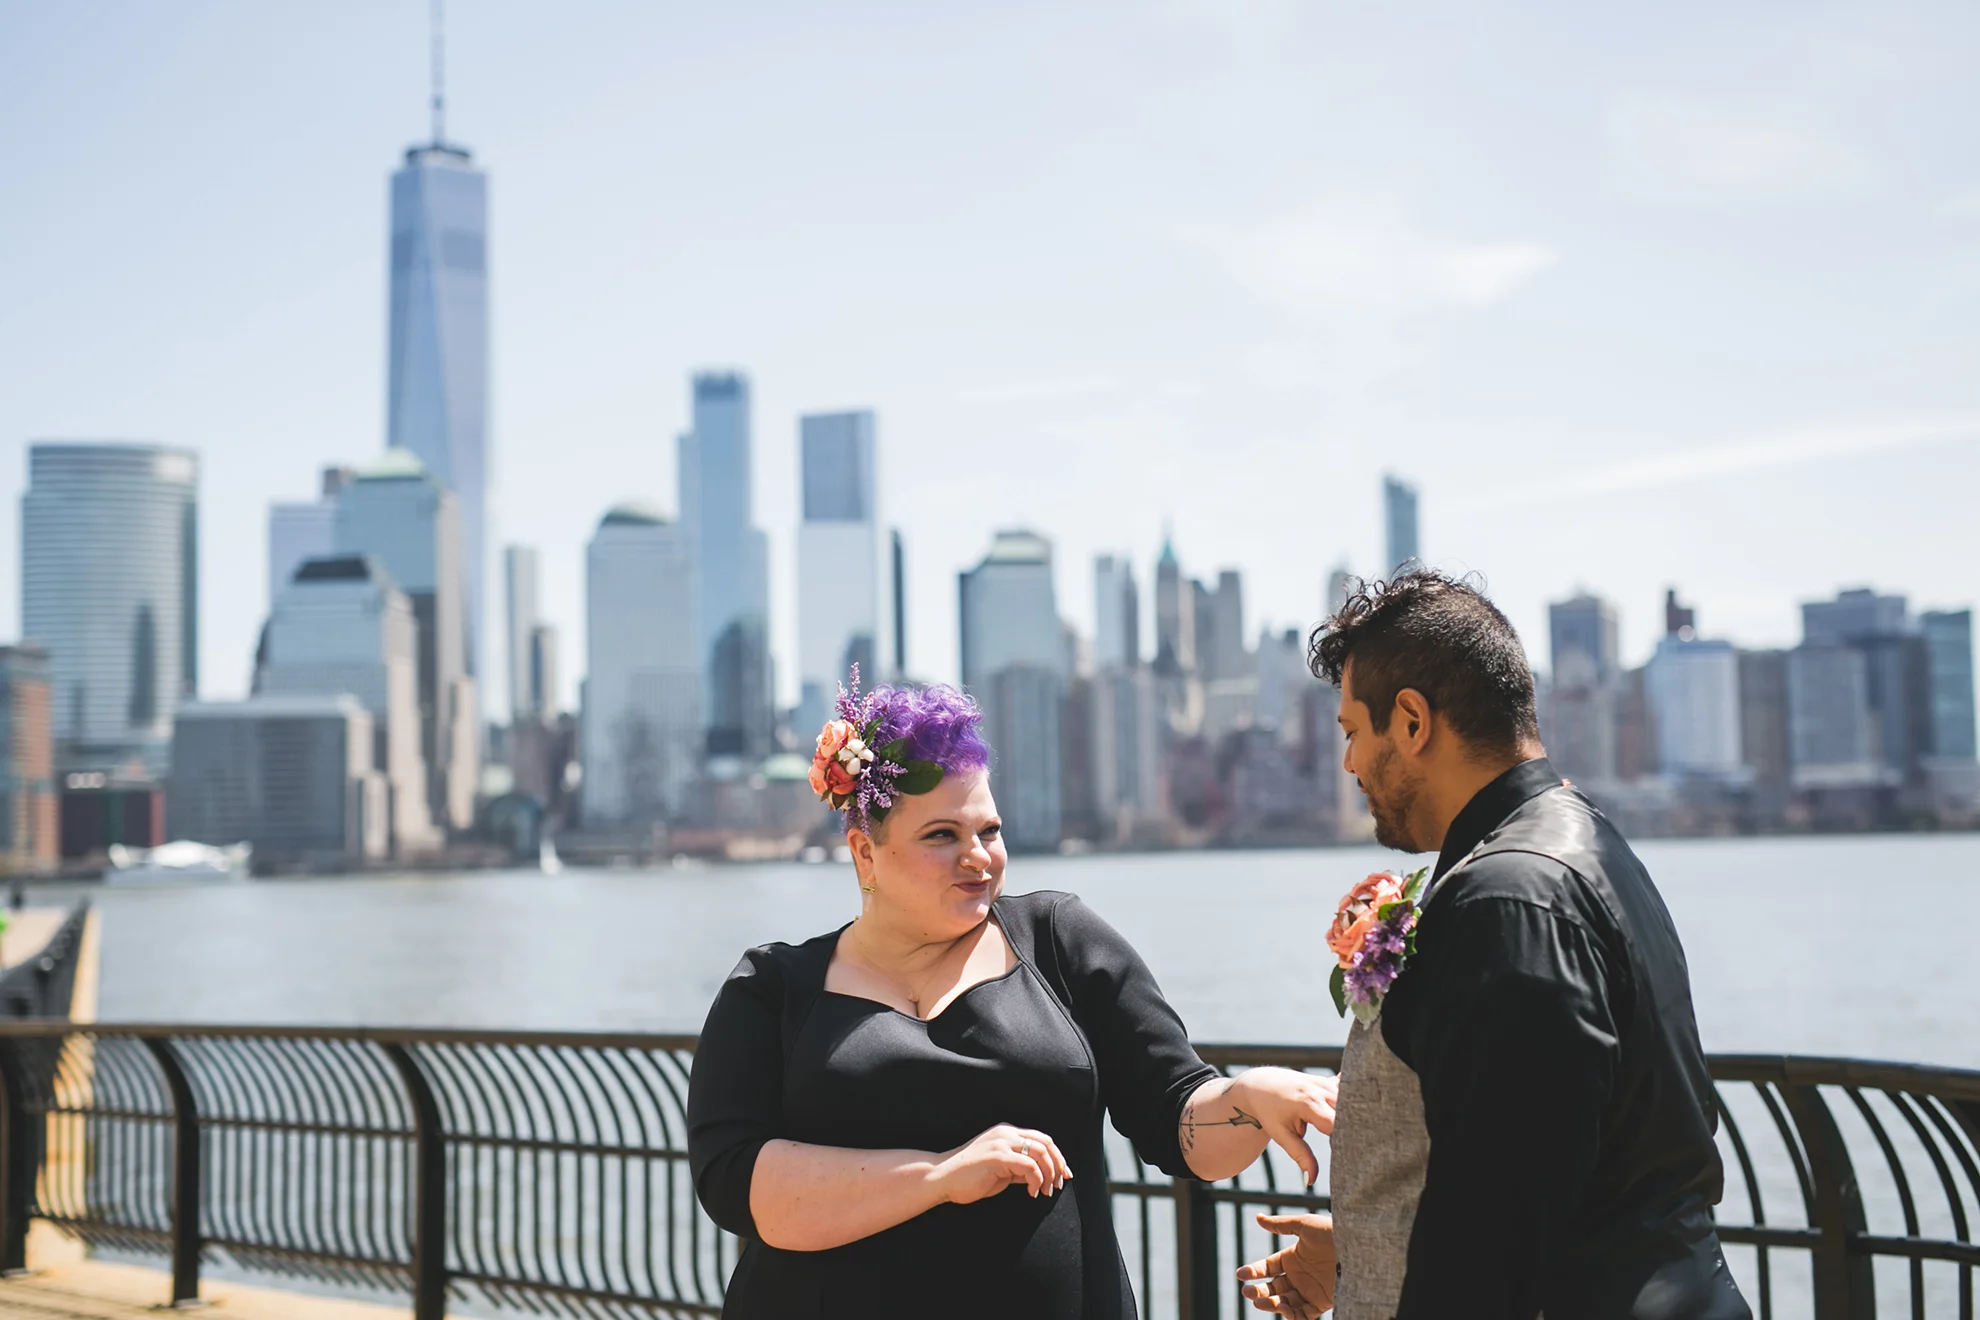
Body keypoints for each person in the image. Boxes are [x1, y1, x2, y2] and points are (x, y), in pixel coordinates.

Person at [688, 678, 1338, 1319]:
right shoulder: (770, 989)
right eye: (942, 835)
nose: (978, 857)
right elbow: (737, 1184)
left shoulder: (1060, 939)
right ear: (865, 854)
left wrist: (1249, 1101)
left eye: (990, 831)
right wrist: (941, 1177)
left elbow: (1176, 1116)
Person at [1238, 570, 1750, 1320]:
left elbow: (1497, 1228)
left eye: (1353, 732)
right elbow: (1592, 1162)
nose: (1348, 764)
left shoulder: (1505, 899)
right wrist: (1368, 1249)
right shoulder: (1588, 843)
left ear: (1411, 722)